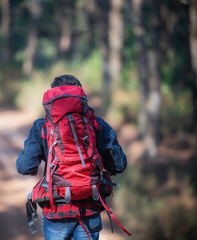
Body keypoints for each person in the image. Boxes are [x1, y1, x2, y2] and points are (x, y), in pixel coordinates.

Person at [16, 74, 127, 240]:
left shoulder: (43, 126)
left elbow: (24, 166)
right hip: (90, 208)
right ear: (81, 98)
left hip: (56, 211)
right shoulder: (97, 124)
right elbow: (119, 165)